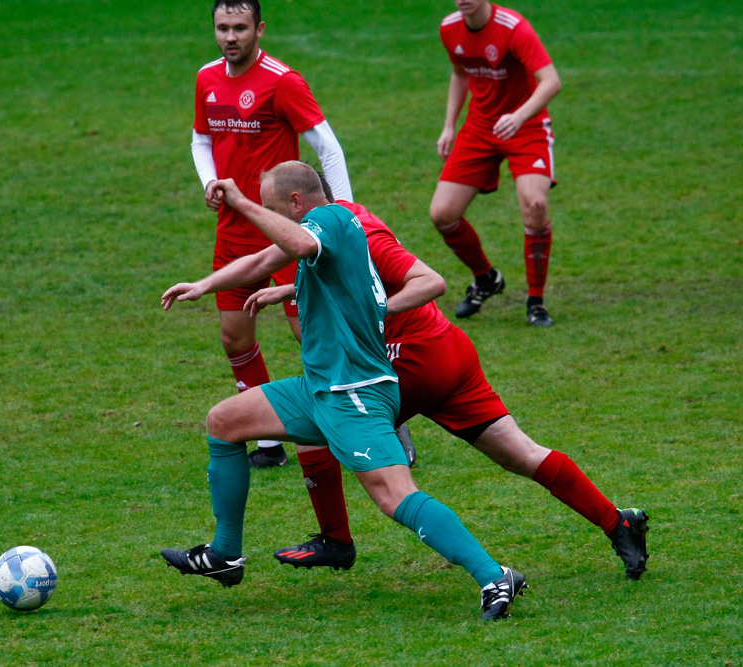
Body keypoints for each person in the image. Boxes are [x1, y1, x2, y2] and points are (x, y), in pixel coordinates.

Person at [160, 161, 527, 620]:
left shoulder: (328, 220)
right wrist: (204, 285)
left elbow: (295, 242)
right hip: (320, 387)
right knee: (225, 421)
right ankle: (225, 555)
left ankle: (495, 576)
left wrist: (239, 201)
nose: (269, 216)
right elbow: (263, 259)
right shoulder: (330, 227)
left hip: (356, 391)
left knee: (395, 495)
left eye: (273, 208)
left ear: (297, 202)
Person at [248, 178, 649, 581]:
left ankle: (338, 541)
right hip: (448, 356)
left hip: (412, 360)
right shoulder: (338, 226)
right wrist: (291, 291)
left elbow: (428, 282)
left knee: (318, 411)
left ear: (300, 204)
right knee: (520, 453)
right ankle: (618, 523)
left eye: (273, 211)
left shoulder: (359, 230)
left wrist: (374, 311)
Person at [191, 0, 354, 467]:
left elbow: (327, 145)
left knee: (312, 334)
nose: (230, 37)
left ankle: (380, 415)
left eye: (240, 27)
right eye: (223, 28)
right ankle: (267, 441)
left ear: (259, 29)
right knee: (234, 336)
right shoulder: (206, 78)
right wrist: (209, 180)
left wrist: (344, 211)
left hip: (286, 228)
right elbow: (200, 138)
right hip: (234, 228)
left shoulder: (282, 81)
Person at [429, 0, 561, 327]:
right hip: (479, 128)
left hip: (525, 126)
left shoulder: (513, 28)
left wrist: (518, 116)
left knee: (535, 204)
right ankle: (486, 279)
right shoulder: (449, 28)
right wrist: (449, 125)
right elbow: (460, 75)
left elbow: (551, 81)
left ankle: (536, 302)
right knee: (442, 214)